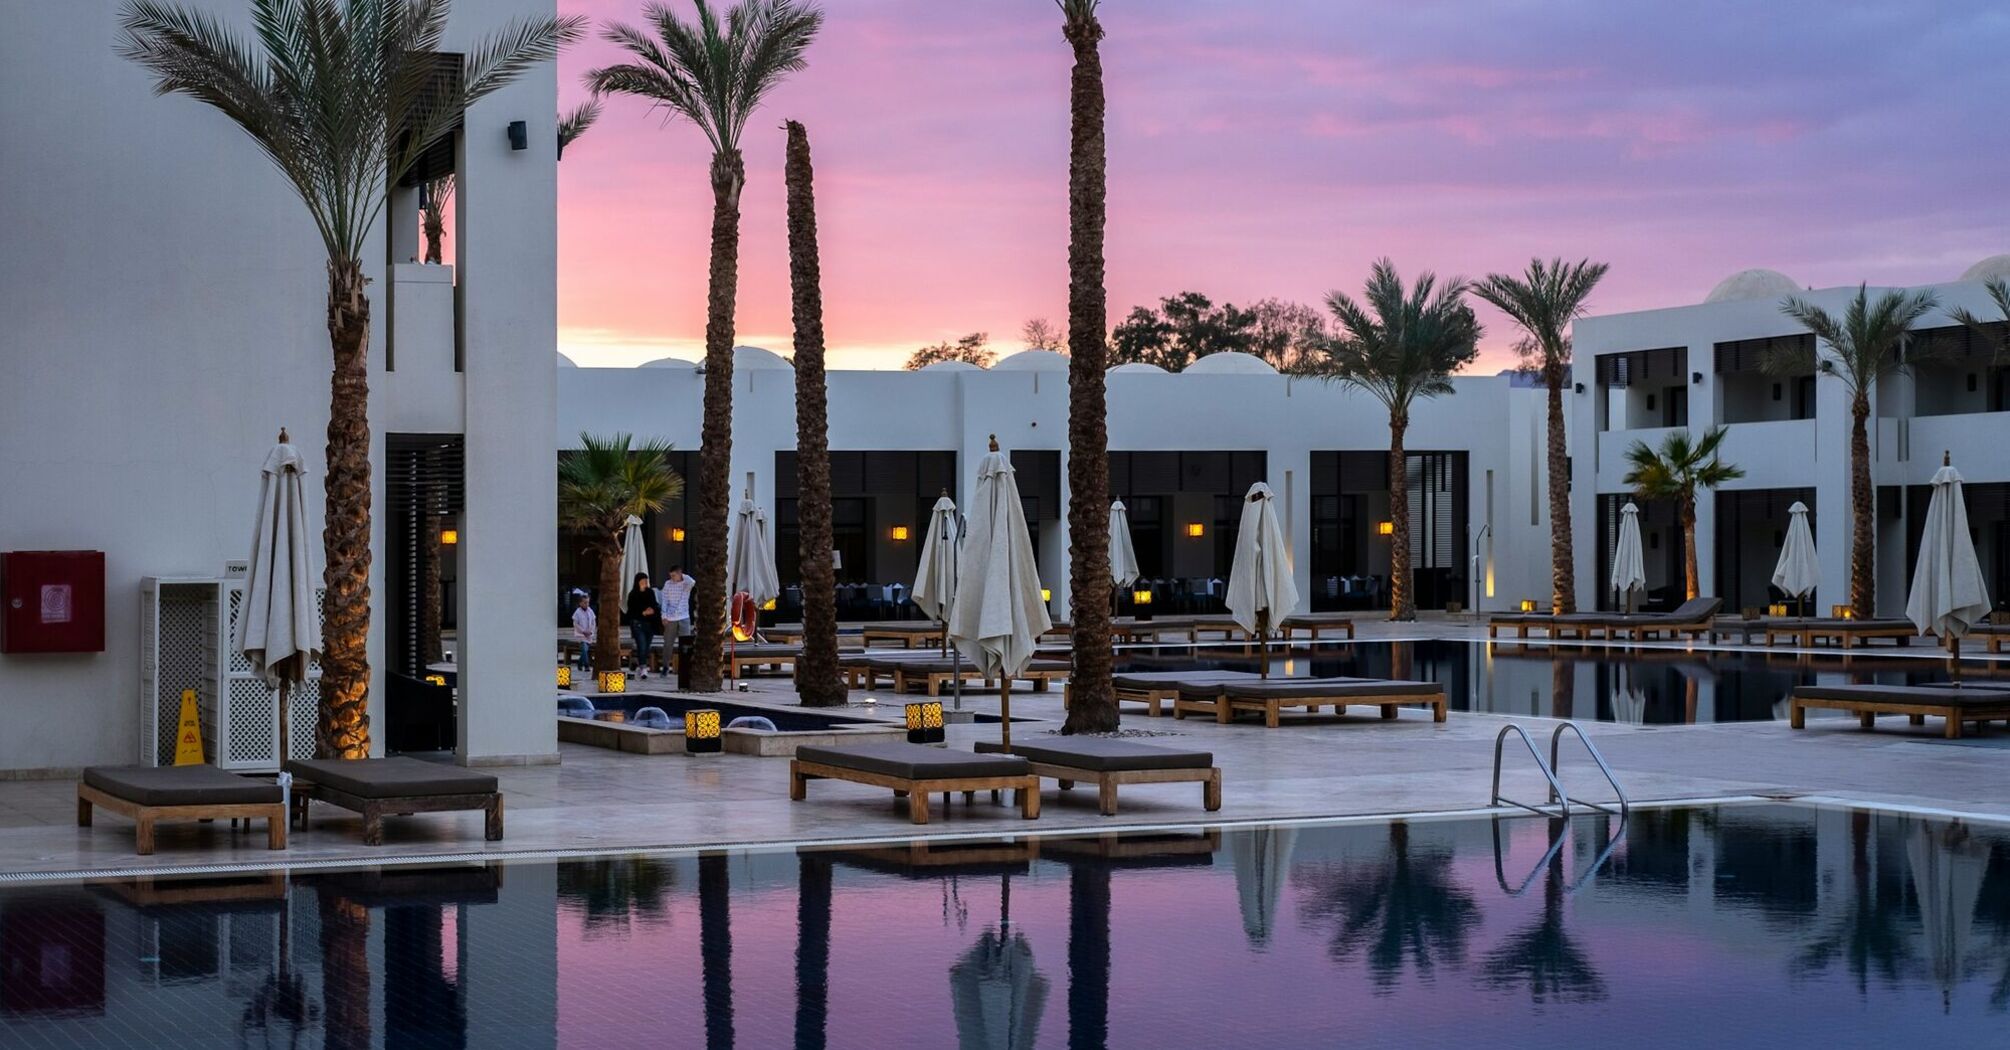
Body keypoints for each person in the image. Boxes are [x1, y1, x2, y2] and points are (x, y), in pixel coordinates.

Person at [625, 572, 661, 678]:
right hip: (638, 623)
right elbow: (631, 611)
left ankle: (639, 662)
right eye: (643, 581)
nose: (645, 583)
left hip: (649, 623)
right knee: (642, 645)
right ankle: (643, 667)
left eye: (646, 581)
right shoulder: (633, 594)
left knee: (646, 646)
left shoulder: (650, 592)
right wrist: (642, 613)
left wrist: (652, 610)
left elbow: (654, 604)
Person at [658, 565, 696, 645]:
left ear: (679, 574)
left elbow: (692, 582)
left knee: (685, 642)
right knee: (668, 643)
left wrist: (683, 576)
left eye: (674, 575)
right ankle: (667, 657)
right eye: (671, 576)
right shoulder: (668, 584)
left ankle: (684, 657)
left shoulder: (686, 583)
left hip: (684, 616)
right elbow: (664, 600)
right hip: (671, 617)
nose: (672, 578)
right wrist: (664, 616)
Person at [570, 591, 596, 670]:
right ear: (580, 603)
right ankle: (587, 665)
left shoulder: (590, 611)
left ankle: (580, 663)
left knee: (585, 650)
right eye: (584, 603)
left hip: (589, 635)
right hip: (580, 635)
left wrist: (591, 631)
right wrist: (583, 631)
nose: (586, 604)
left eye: (588, 602)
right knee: (584, 648)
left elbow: (593, 622)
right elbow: (576, 624)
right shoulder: (577, 612)